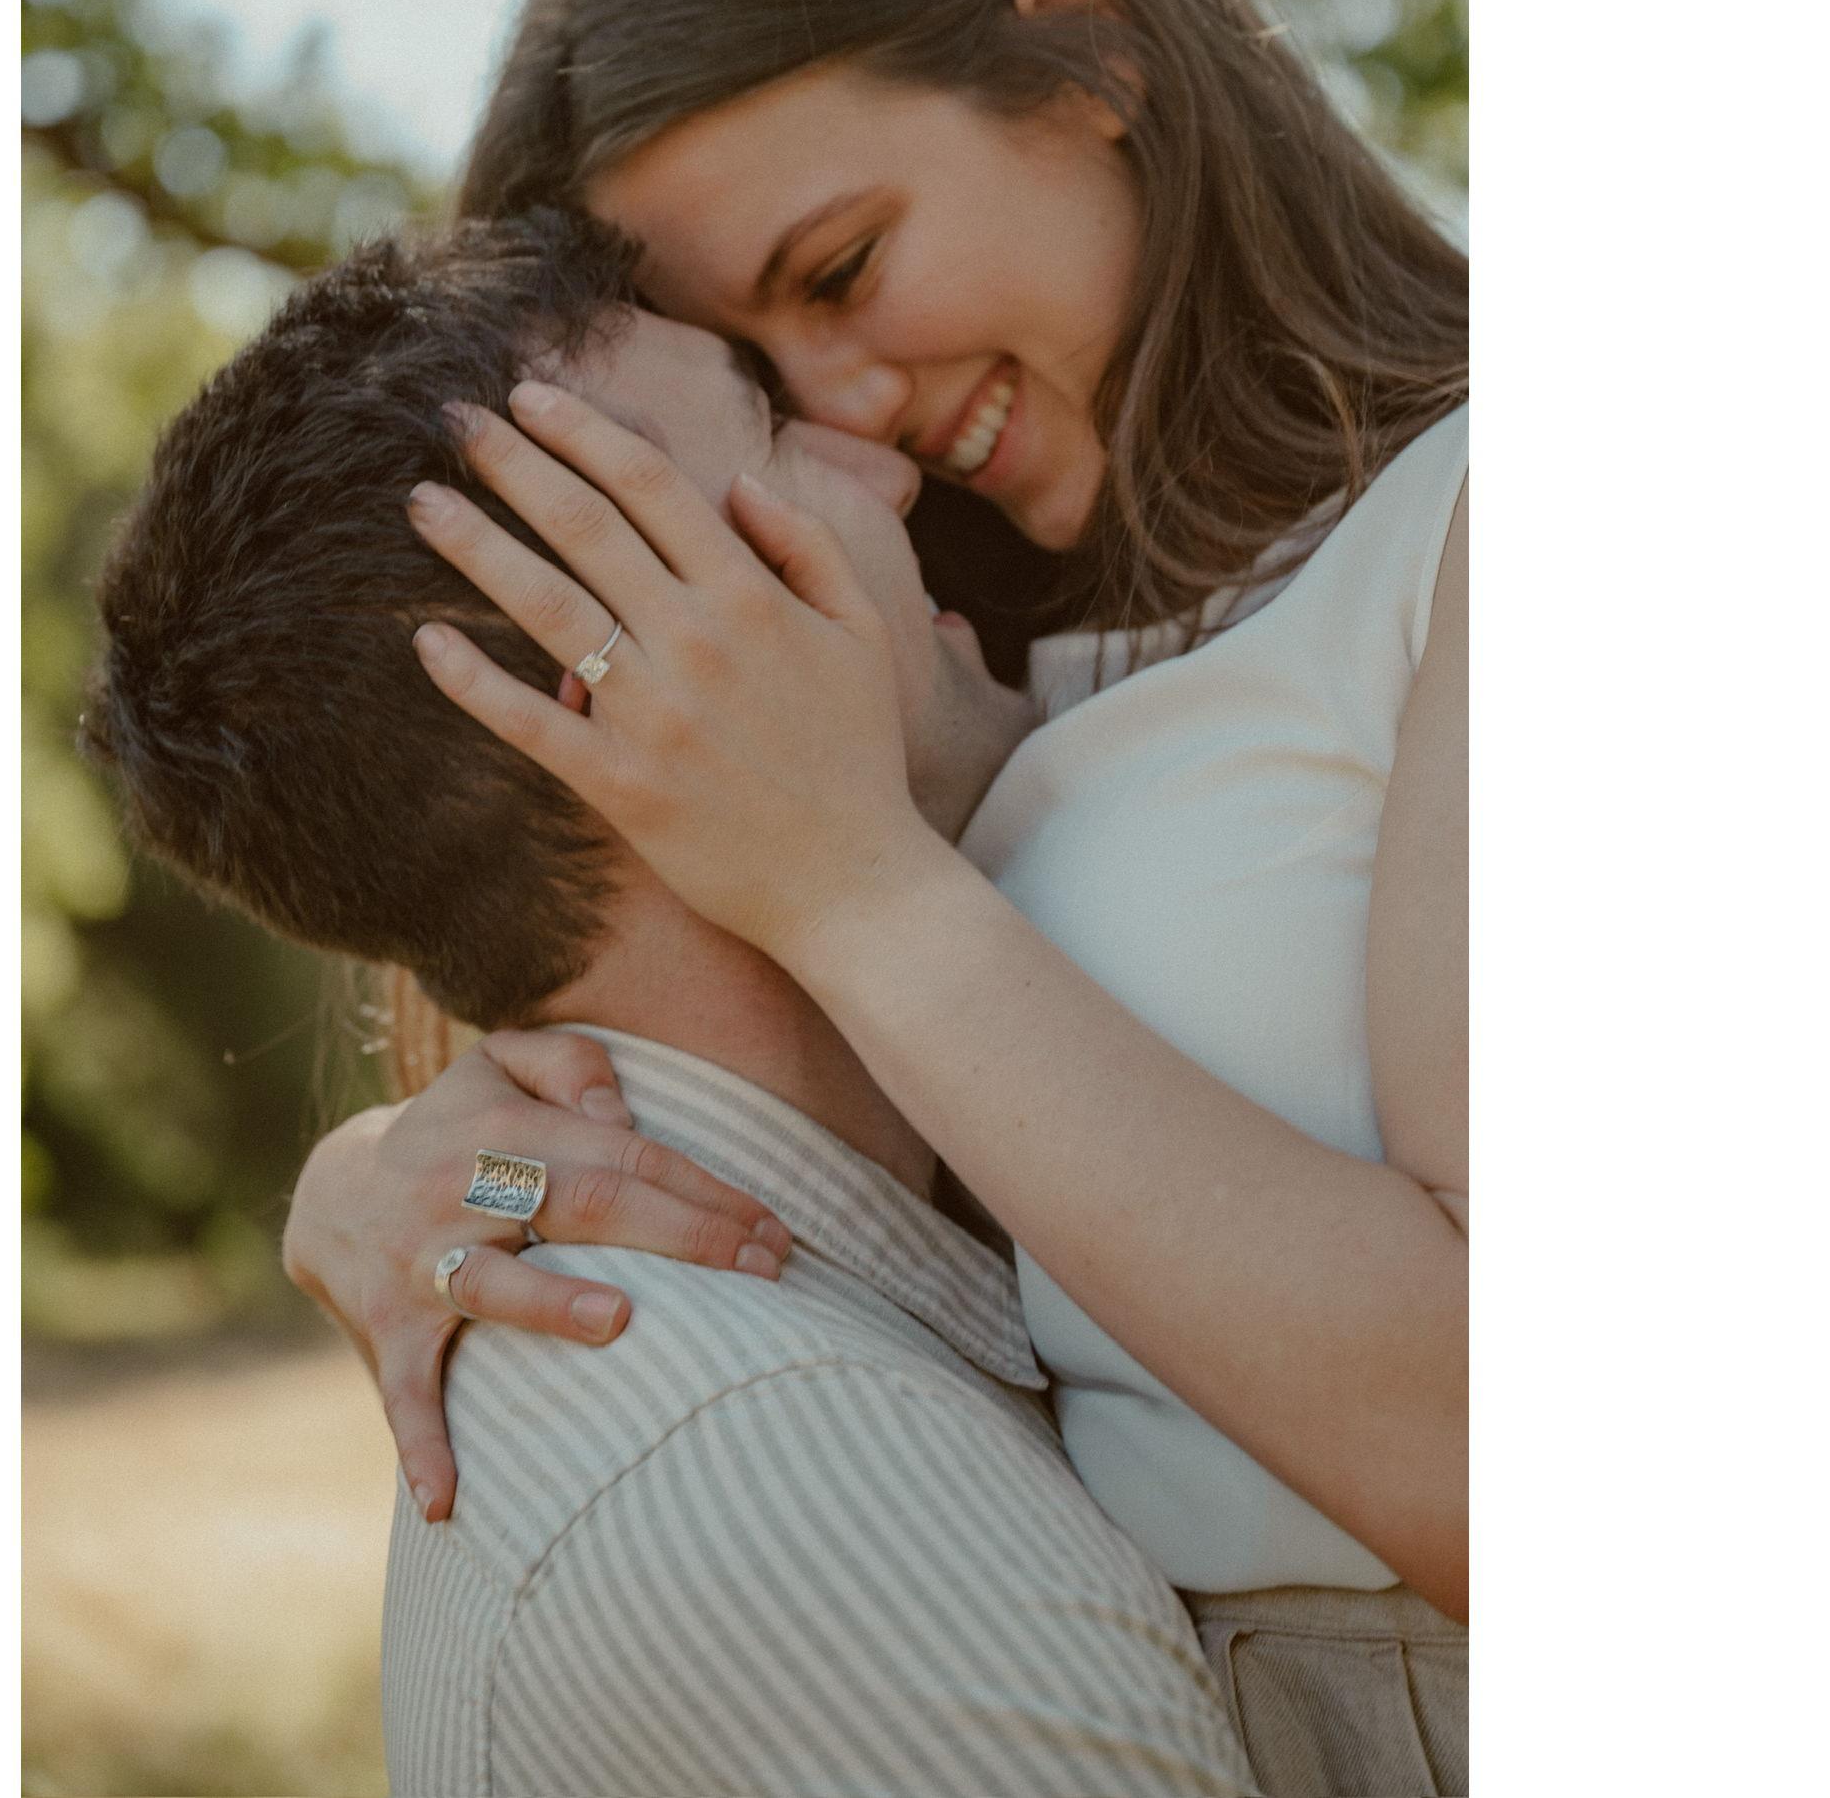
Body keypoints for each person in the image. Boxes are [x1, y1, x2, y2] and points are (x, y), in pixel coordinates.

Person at [283, 0, 1468, 1798]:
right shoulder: (976, 669)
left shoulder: (1484, 532)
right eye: (751, 359)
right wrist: (390, 1163)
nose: (837, 413)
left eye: (844, 265)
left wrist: (854, 889)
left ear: (1085, 46)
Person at [83, 210, 1256, 1798]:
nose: (889, 474)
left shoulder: (581, 1225)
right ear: (624, 692)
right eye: (773, 431)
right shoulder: (810, 1486)